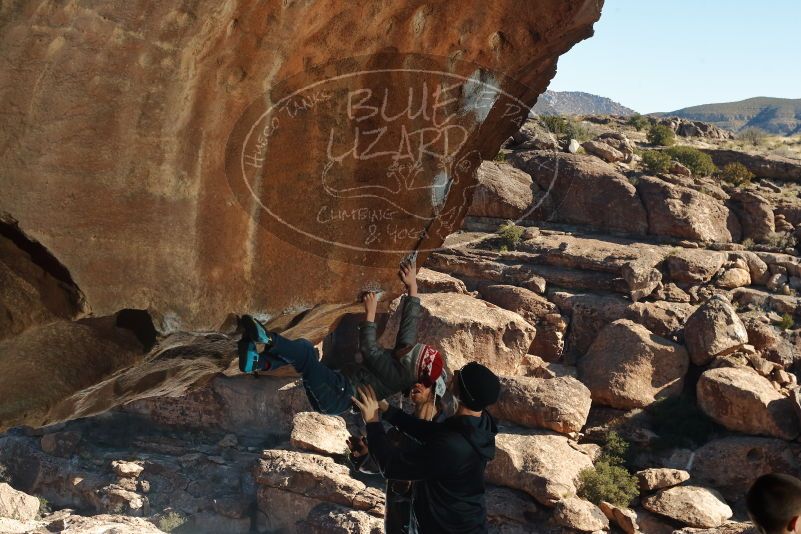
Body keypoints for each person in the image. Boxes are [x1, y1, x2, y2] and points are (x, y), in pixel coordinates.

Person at [236, 259, 447, 416]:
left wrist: (370, 312)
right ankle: (258, 362)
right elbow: (408, 326)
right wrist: (412, 287)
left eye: (410, 352)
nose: (406, 348)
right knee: (304, 349)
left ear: (413, 365)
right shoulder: (406, 358)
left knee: (304, 357)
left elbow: (369, 350)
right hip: (337, 388)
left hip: (337, 395)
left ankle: (268, 339)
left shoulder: (398, 375)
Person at [351, 362, 501, 534]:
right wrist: (387, 409)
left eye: (460, 374)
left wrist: (372, 422)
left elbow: (391, 466)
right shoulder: (478, 425)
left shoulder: (452, 446)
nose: (456, 372)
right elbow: (429, 431)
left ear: (461, 392)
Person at [347, 379, 446, 534]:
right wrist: (364, 455)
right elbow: (383, 464)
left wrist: (410, 485)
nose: (416, 384)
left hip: (428, 523)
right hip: (397, 522)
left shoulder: (445, 433)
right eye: (414, 381)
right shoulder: (397, 432)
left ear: (437, 388)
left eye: (424, 381)